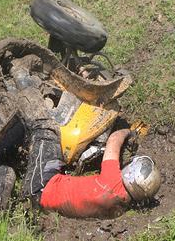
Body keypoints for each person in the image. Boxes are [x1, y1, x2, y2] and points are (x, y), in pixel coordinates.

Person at [17, 83, 162, 218]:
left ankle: (20, 89)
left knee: (46, 129)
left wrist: (129, 132)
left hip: (41, 186)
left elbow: (114, 139)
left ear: (132, 175)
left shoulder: (113, 181)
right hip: (42, 204)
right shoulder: (119, 208)